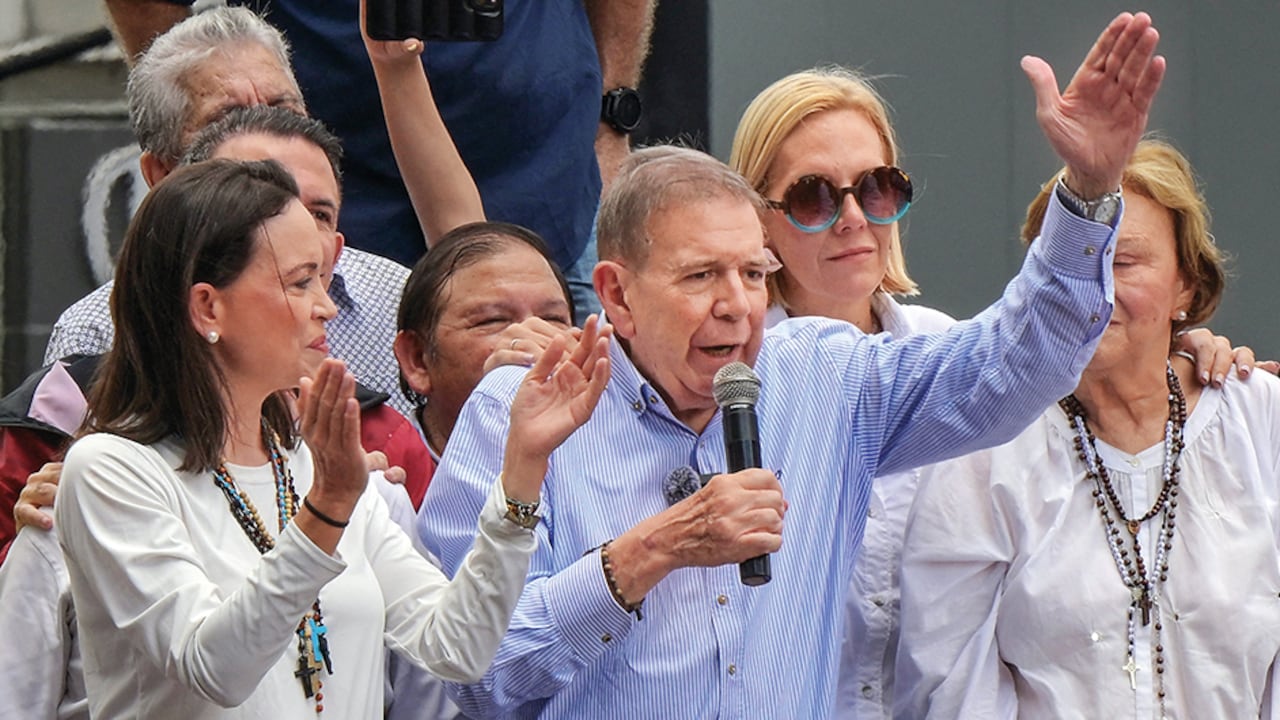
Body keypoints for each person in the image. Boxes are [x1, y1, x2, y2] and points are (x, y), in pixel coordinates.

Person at [418, 13, 1165, 716]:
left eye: (752, 273)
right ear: (616, 293)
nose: (736, 305)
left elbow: (1017, 364)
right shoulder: (519, 411)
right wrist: (650, 551)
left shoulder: (823, 377)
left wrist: (1089, 190)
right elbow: (478, 679)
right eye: (700, 276)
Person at [727, 66, 1262, 719]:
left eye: (878, 188)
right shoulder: (720, 379)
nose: (853, 218)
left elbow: (1053, 343)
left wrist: (1176, 351)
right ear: (757, 218)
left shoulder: (948, 349)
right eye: (813, 197)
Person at [53, 157, 611, 718]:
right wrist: (327, 508)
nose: (326, 307)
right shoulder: (111, 469)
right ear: (208, 307)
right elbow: (213, 669)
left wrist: (523, 465)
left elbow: (457, 648)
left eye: (322, 279)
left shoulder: (315, 466)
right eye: (301, 282)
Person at [894, 139, 1280, 719]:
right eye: (1071, 262)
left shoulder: (1260, 422)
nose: (1094, 288)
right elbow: (947, 678)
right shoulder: (986, 445)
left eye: (1124, 262)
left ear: (1186, 285)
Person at [105, 0, 659, 320]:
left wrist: (611, 115)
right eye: (231, 116)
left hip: (551, 183)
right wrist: (189, 117)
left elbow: (461, 237)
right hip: (311, 200)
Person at [45, 7, 437, 417]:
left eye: (282, 112)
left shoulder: (398, 301)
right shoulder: (96, 333)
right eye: (229, 122)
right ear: (162, 173)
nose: (269, 145)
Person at [394, 221, 577, 462]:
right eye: (493, 320)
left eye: (553, 319)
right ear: (418, 359)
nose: (530, 337)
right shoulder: (379, 475)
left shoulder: (608, 455)